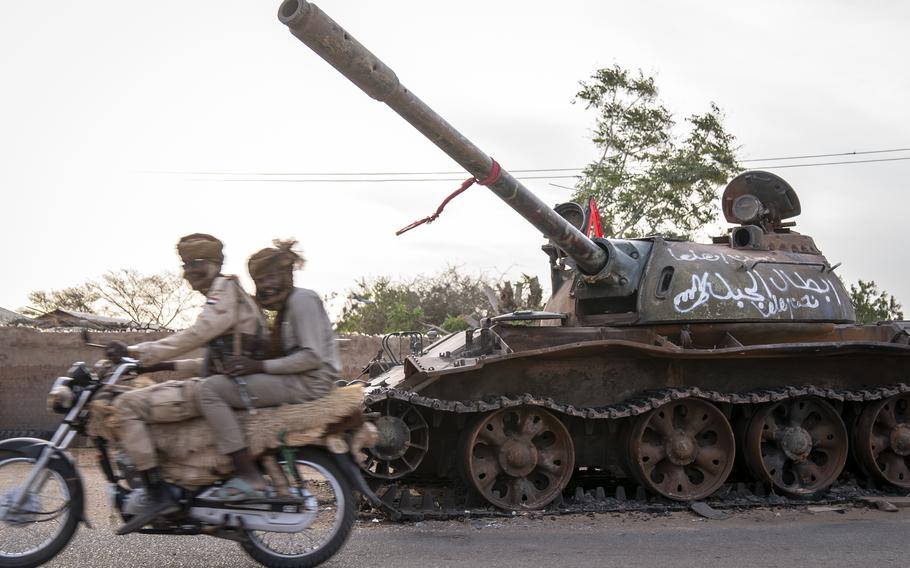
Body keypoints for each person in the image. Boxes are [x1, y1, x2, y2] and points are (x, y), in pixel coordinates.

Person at [107, 233, 266, 535]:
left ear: (216, 264)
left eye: (197, 263)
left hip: (227, 388)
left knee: (127, 404)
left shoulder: (223, 290)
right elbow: (211, 358)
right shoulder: (230, 295)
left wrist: (136, 351)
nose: (189, 271)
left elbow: (198, 334)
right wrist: (163, 364)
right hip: (230, 382)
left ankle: (158, 494)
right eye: (186, 264)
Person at [198, 238, 339, 500]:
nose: (265, 285)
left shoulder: (302, 300)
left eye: (271, 277)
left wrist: (257, 365)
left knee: (210, 391)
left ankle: (248, 475)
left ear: (287, 274)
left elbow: (312, 356)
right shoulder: (287, 308)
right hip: (300, 378)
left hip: (309, 381)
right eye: (260, 280)